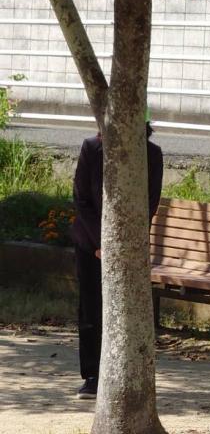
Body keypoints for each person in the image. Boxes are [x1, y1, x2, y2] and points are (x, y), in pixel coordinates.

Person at [71, 120, 164, 399]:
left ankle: (121, 373)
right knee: (91, 308)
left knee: (124, 311)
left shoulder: (151, 154)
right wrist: (101, 243)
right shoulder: (92, 148)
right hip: (90, 243)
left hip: (128, 245)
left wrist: (123, 243)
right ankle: (92, 375)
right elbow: (81, 199)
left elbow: (149, 202)